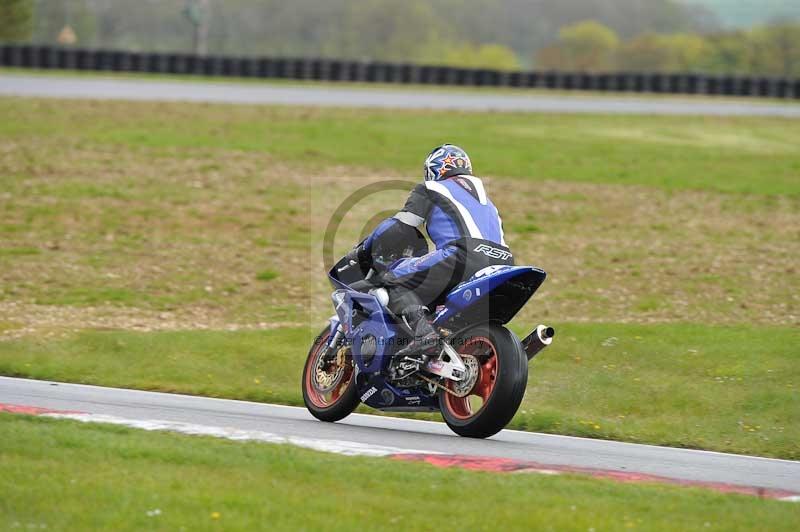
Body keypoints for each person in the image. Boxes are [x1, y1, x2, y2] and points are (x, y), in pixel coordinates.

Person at [348, 144, 514, 357]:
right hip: (503, 264)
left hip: (462, 256)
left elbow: (399, 226)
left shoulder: (431, 188)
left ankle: (424, 334)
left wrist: (365, 247)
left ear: (433, 169)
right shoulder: (488, 204)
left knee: (392, 276)